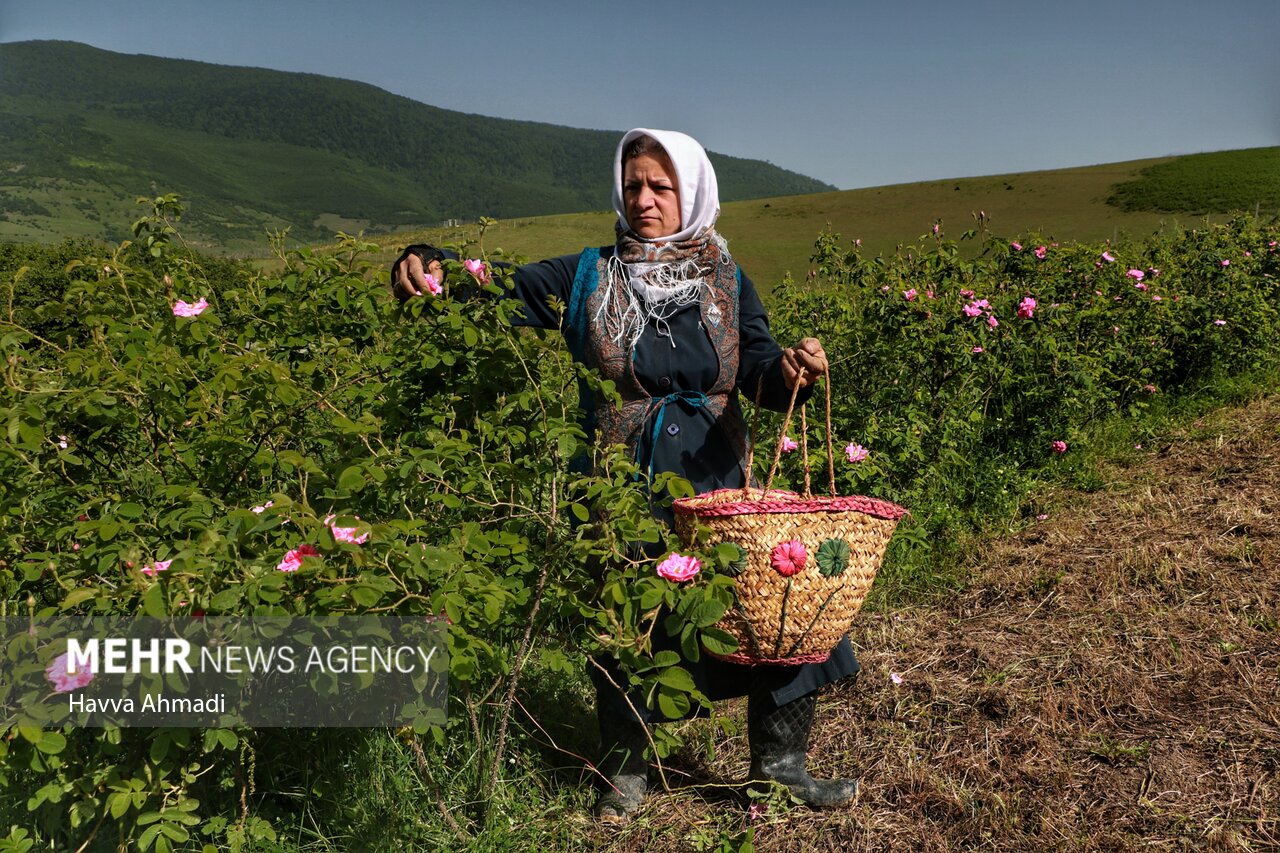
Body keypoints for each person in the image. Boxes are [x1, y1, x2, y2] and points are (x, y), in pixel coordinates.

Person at [392, 128, 860, 821]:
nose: (644, 199)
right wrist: (432, 264)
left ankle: (780, 766)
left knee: (776, 603)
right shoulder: (588, 275)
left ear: (691, 192)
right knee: (624, 616)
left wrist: (788, 368)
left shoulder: (728, 280)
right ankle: (624, 772)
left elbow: (758, 370)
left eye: (661, 186)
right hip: (620, 482)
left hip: (717, 482)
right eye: (634, 184)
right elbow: (502, 289)